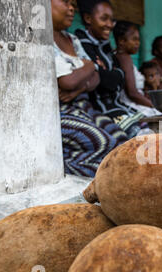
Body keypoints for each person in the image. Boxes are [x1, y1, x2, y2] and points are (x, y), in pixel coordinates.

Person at [51, 0, 128, 177]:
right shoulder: (43, 41)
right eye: (65, 2)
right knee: (102, 142)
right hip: (60, 111)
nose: (71, 9)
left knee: (121, 140)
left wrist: (79, 87)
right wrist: (88, 67)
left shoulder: (73, 40)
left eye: (73, 4)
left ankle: (110, 182)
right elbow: (68, 82)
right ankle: (77, 182)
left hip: (83, 106)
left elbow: (96, 78)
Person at [74, 0, 148, 138]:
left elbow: (120, 78)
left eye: (111, 20)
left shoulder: (104, 45)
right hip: (98, 110)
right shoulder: (80, 43)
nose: (109, 24)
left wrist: (107, 73)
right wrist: (107, 74)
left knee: (152, 125)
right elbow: (100, 81)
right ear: (88, 18)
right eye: (104, 19)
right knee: (138, 137)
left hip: (117, 105)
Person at [113, 21, 162, 117]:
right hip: (131, 105)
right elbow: (132, 93)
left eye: (138, 40)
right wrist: (154, 106)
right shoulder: (124, 58)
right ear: (121, 41)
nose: (138, 43)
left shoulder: (118, 55)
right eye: (134, 39)